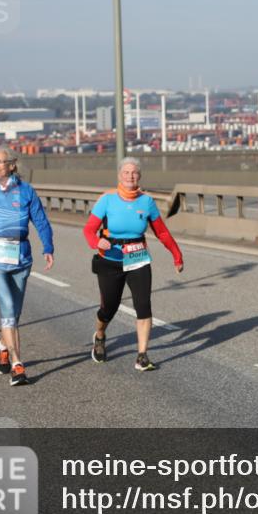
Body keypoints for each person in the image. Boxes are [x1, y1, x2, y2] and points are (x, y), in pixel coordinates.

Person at [83, 157, 184, 372]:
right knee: (109, 308)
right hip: (110, 260)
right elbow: (89, 229)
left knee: (143, 305)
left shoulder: (146, 202)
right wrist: (96, 242)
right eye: (126, 172)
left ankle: (142, 356)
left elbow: (162, 232)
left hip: (138, 259)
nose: (130, 176)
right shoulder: (107, 200)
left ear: (140, 176)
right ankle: (100, 335)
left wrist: (177, 255)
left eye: (134, 172)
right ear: (119, 175)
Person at [0, 147, 54, 387]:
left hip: (21, 257)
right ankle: (17, 364)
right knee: (6, 305)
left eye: (0, 162)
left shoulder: (26, 191)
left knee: (14, 313)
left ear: (12, 165)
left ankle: (1, 346)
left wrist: (48, 246)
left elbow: (41, 221)